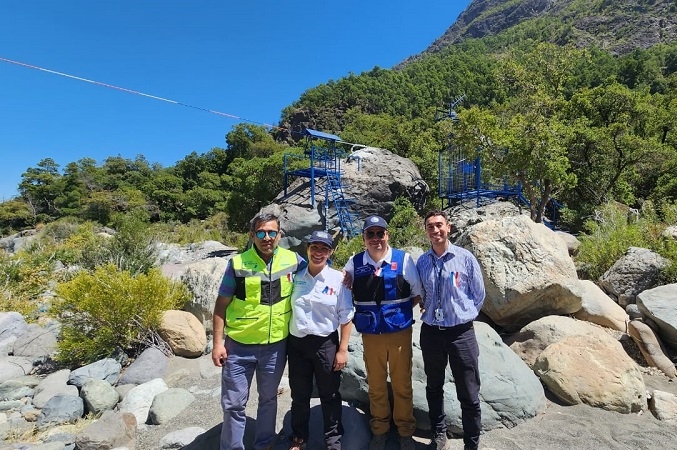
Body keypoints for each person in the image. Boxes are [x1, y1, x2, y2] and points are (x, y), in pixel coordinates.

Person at [211, 212, 305, 450]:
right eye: (261, 233)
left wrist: (346, 278)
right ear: (252, 235)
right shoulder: (237, 264)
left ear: (280, 235)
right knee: (233, 404)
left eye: (272, 232)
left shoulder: (293, 260)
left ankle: (264, 445)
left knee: (268, 399)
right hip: (239, 347)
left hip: (275, 347)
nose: (267, 238)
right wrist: (217, 344)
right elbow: (221, 305)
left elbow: (319, 271)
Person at [343, 215, 422, 450]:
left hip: (399, 332)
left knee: (402, 384)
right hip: (370, 335)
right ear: (364, 238)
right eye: (371, 234)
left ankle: (405, 432)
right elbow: (345, 296)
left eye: (380, 233)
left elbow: (417, 293)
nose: (376, 239)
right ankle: (380, 430)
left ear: (387, 235)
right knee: (376, 385)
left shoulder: (404, 260)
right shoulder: (354, 264)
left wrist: (397, 314)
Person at [415, 210, 485, 450]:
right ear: (426, 231)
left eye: (439, 225)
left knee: (468, 392)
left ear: (449, 227)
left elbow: (479, 295)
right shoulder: (422, 261)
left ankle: (471, 443)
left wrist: (464, 316)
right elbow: (420, 292)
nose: (435, 231)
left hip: (461, 333)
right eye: (430, 227)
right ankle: (438, 433)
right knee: (434, 386)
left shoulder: (465, 258)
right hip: (432, 332)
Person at [287, 230, 354, 450]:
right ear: (307, 249)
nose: (318, 252)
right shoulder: (295, 277)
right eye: (314, 247)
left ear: (331, 251)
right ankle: (299, 437)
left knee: (330, 394)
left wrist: (342, 350)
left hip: (325, 343)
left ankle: (333, 439)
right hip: (297, 344)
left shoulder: (338, 279)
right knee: (299, 394)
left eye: (324, 248)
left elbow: (346, 316)